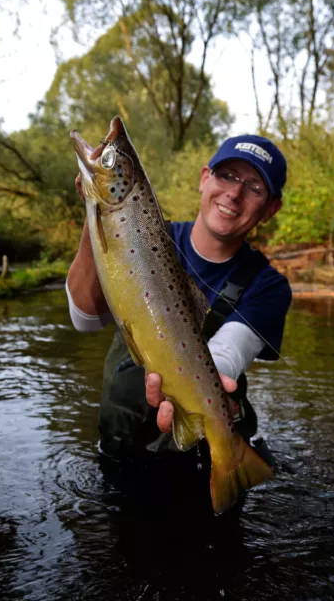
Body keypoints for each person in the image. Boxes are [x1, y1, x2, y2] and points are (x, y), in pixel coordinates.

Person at [66, 133, 291, 485]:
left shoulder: (270, 286)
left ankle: (230, 461)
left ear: (270, 209)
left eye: (254, 187)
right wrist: (95, 213)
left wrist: (210, 389)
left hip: (196, 468)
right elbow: (83, 319)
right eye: (227, 176)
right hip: (118, 455)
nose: (234, 193)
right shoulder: (143, 233)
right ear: (205, 178)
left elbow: (231, 348)